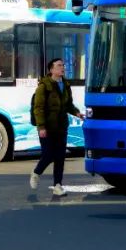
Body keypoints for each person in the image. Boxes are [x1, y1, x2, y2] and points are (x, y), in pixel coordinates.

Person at [29, 58, 83, 196]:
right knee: (48, 155)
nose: (62, 68)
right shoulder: (44, 87)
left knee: (60, 157)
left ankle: (57, 185)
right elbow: (38, 108)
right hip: (47, 128)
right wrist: (41, 127)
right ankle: (36, 173)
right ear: (51, 70)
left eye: (63, 65)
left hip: (61, 127)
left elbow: (68, 105)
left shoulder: (66, 85)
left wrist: (77, 113)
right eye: (59, 66)